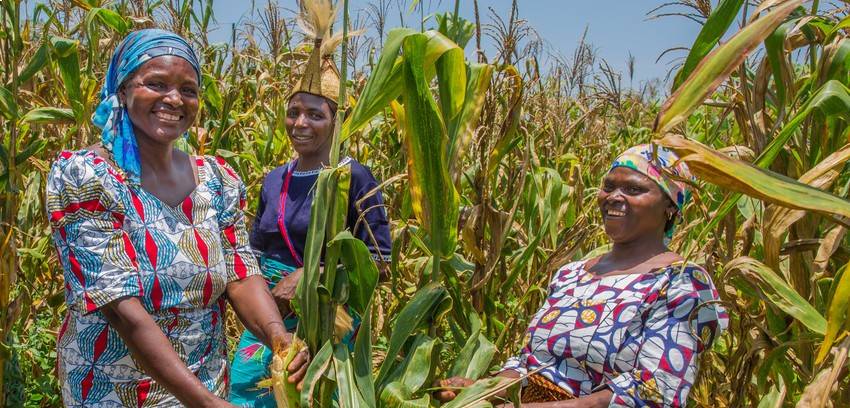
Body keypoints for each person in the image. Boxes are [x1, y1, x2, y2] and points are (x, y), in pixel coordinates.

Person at [46, 29, 306, 407]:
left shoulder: (217, 180)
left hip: (207, 379)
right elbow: (122, 311)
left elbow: (241, 273)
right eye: (156, 84)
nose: (174, 99)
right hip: (115, 389)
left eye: (188, 89)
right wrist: (204, 404)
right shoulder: (87, 177)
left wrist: (279, 337)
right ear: (122, 90)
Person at [435, 144, 728, 407]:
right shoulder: (571, 274)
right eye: (609, 186)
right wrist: (483, 390)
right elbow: (532, 364)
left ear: (669, 206)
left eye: (634, 189)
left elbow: (655, 391)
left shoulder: (680, 282)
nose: (614, 197)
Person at [227, 20, 392, 407]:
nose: (300, 123)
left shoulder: (354, 178)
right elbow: (252, 255)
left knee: (311, 396)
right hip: (270, 315)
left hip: (326, 318)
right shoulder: (273, 180)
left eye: (315, 115)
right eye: (293, 112)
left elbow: (379, 261)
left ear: (337, 122)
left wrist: (309, 276)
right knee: (247, 390)